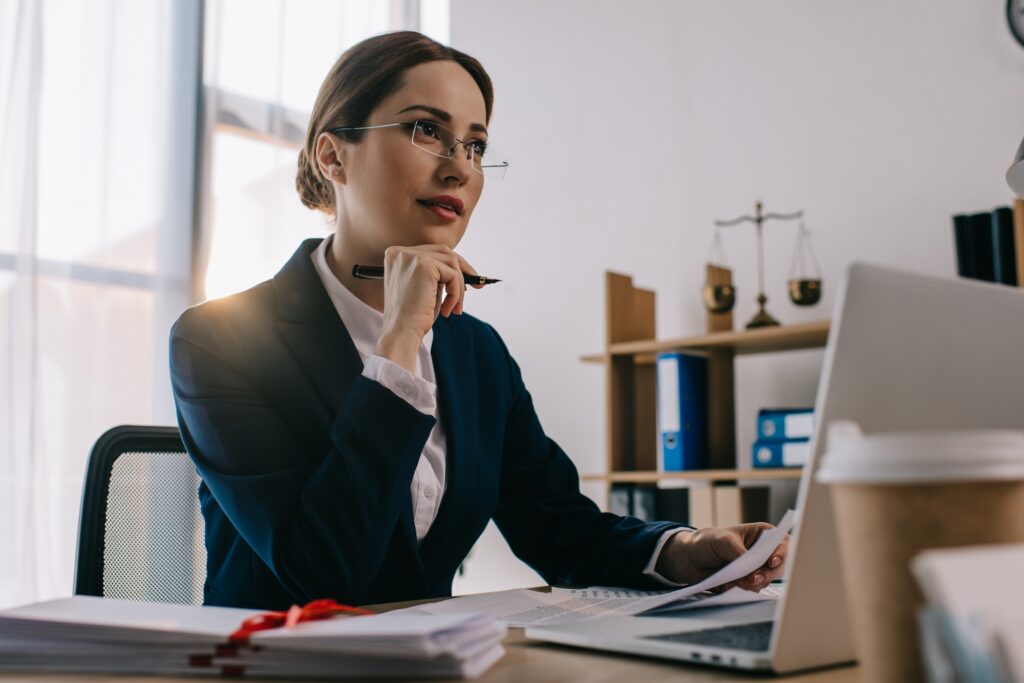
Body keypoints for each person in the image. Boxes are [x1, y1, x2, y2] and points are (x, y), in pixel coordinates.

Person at [169, 31, 788, 610]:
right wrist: (399, 344)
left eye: (476, 145)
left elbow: (558, 529)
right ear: (332, 155)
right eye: (424, 129)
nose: (460, 167)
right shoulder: (219, 340)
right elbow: (324, 572)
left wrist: (682, 552)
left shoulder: (476, 352)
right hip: (275, 666)